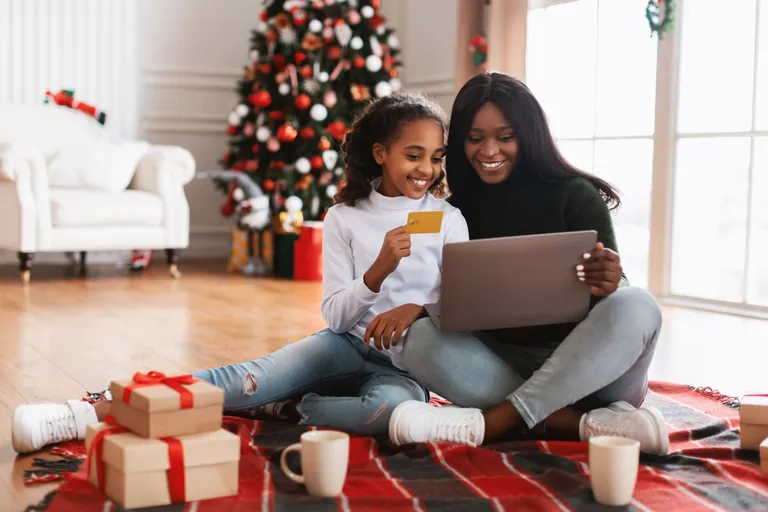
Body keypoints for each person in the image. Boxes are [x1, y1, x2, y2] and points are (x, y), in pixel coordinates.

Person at [11, 92, 469, 454]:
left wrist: (418, 310)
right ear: (381, 153)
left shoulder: (450, 220)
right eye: (413, 155)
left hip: (405, 366)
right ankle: (84, 412)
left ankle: (293, 406)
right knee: (237, 380)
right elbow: (335, 318)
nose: (426, 169)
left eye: (435, 157)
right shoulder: (345, 218)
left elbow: (459, 308)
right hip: (344, 344)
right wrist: (376, 274)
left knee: (391, 412)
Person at [387, 72, 668, 456]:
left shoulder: (575, 195)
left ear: (529, 134)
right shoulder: (453, 212)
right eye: (474, 138)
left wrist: (611, 282)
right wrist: (418, 305)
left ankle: (498, 421)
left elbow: (614, 300)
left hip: (591, 371)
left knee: (638, 304)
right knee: (416, 340)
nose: (489, 151)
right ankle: (575, 423)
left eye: (505, 137)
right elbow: (438, 291)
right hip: (503, 366)